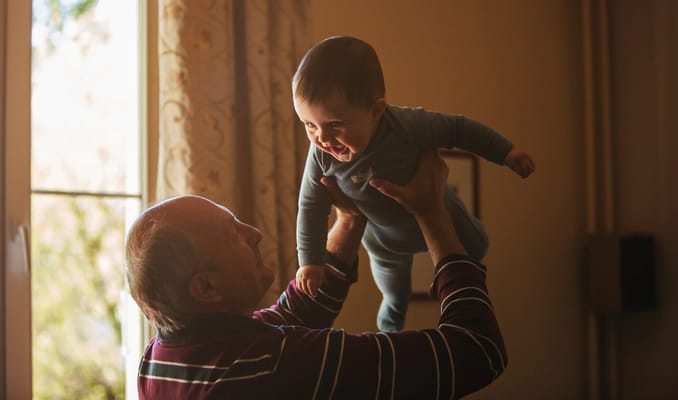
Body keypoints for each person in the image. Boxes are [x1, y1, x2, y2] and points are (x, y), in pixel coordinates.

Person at [125, 150, 507, 399]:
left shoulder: (159, 360)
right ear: (205, 287)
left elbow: (291, 314)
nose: (254, 234)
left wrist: (349, 220)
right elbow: (476, 350)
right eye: (233, 234)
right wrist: (433, 215)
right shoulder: (278, 365)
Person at [293, 35, 535, 332]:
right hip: (383, 240)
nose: (322, 138)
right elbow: (310, 207)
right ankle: (390, 330)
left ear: (376, 111)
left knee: (476, 246)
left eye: (334, 125)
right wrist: (310, 262)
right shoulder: (320, 155)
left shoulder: (408, 126)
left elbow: (459, 129)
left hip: (440, 208)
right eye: (309, 125)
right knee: (394, 292)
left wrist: (507, 152)